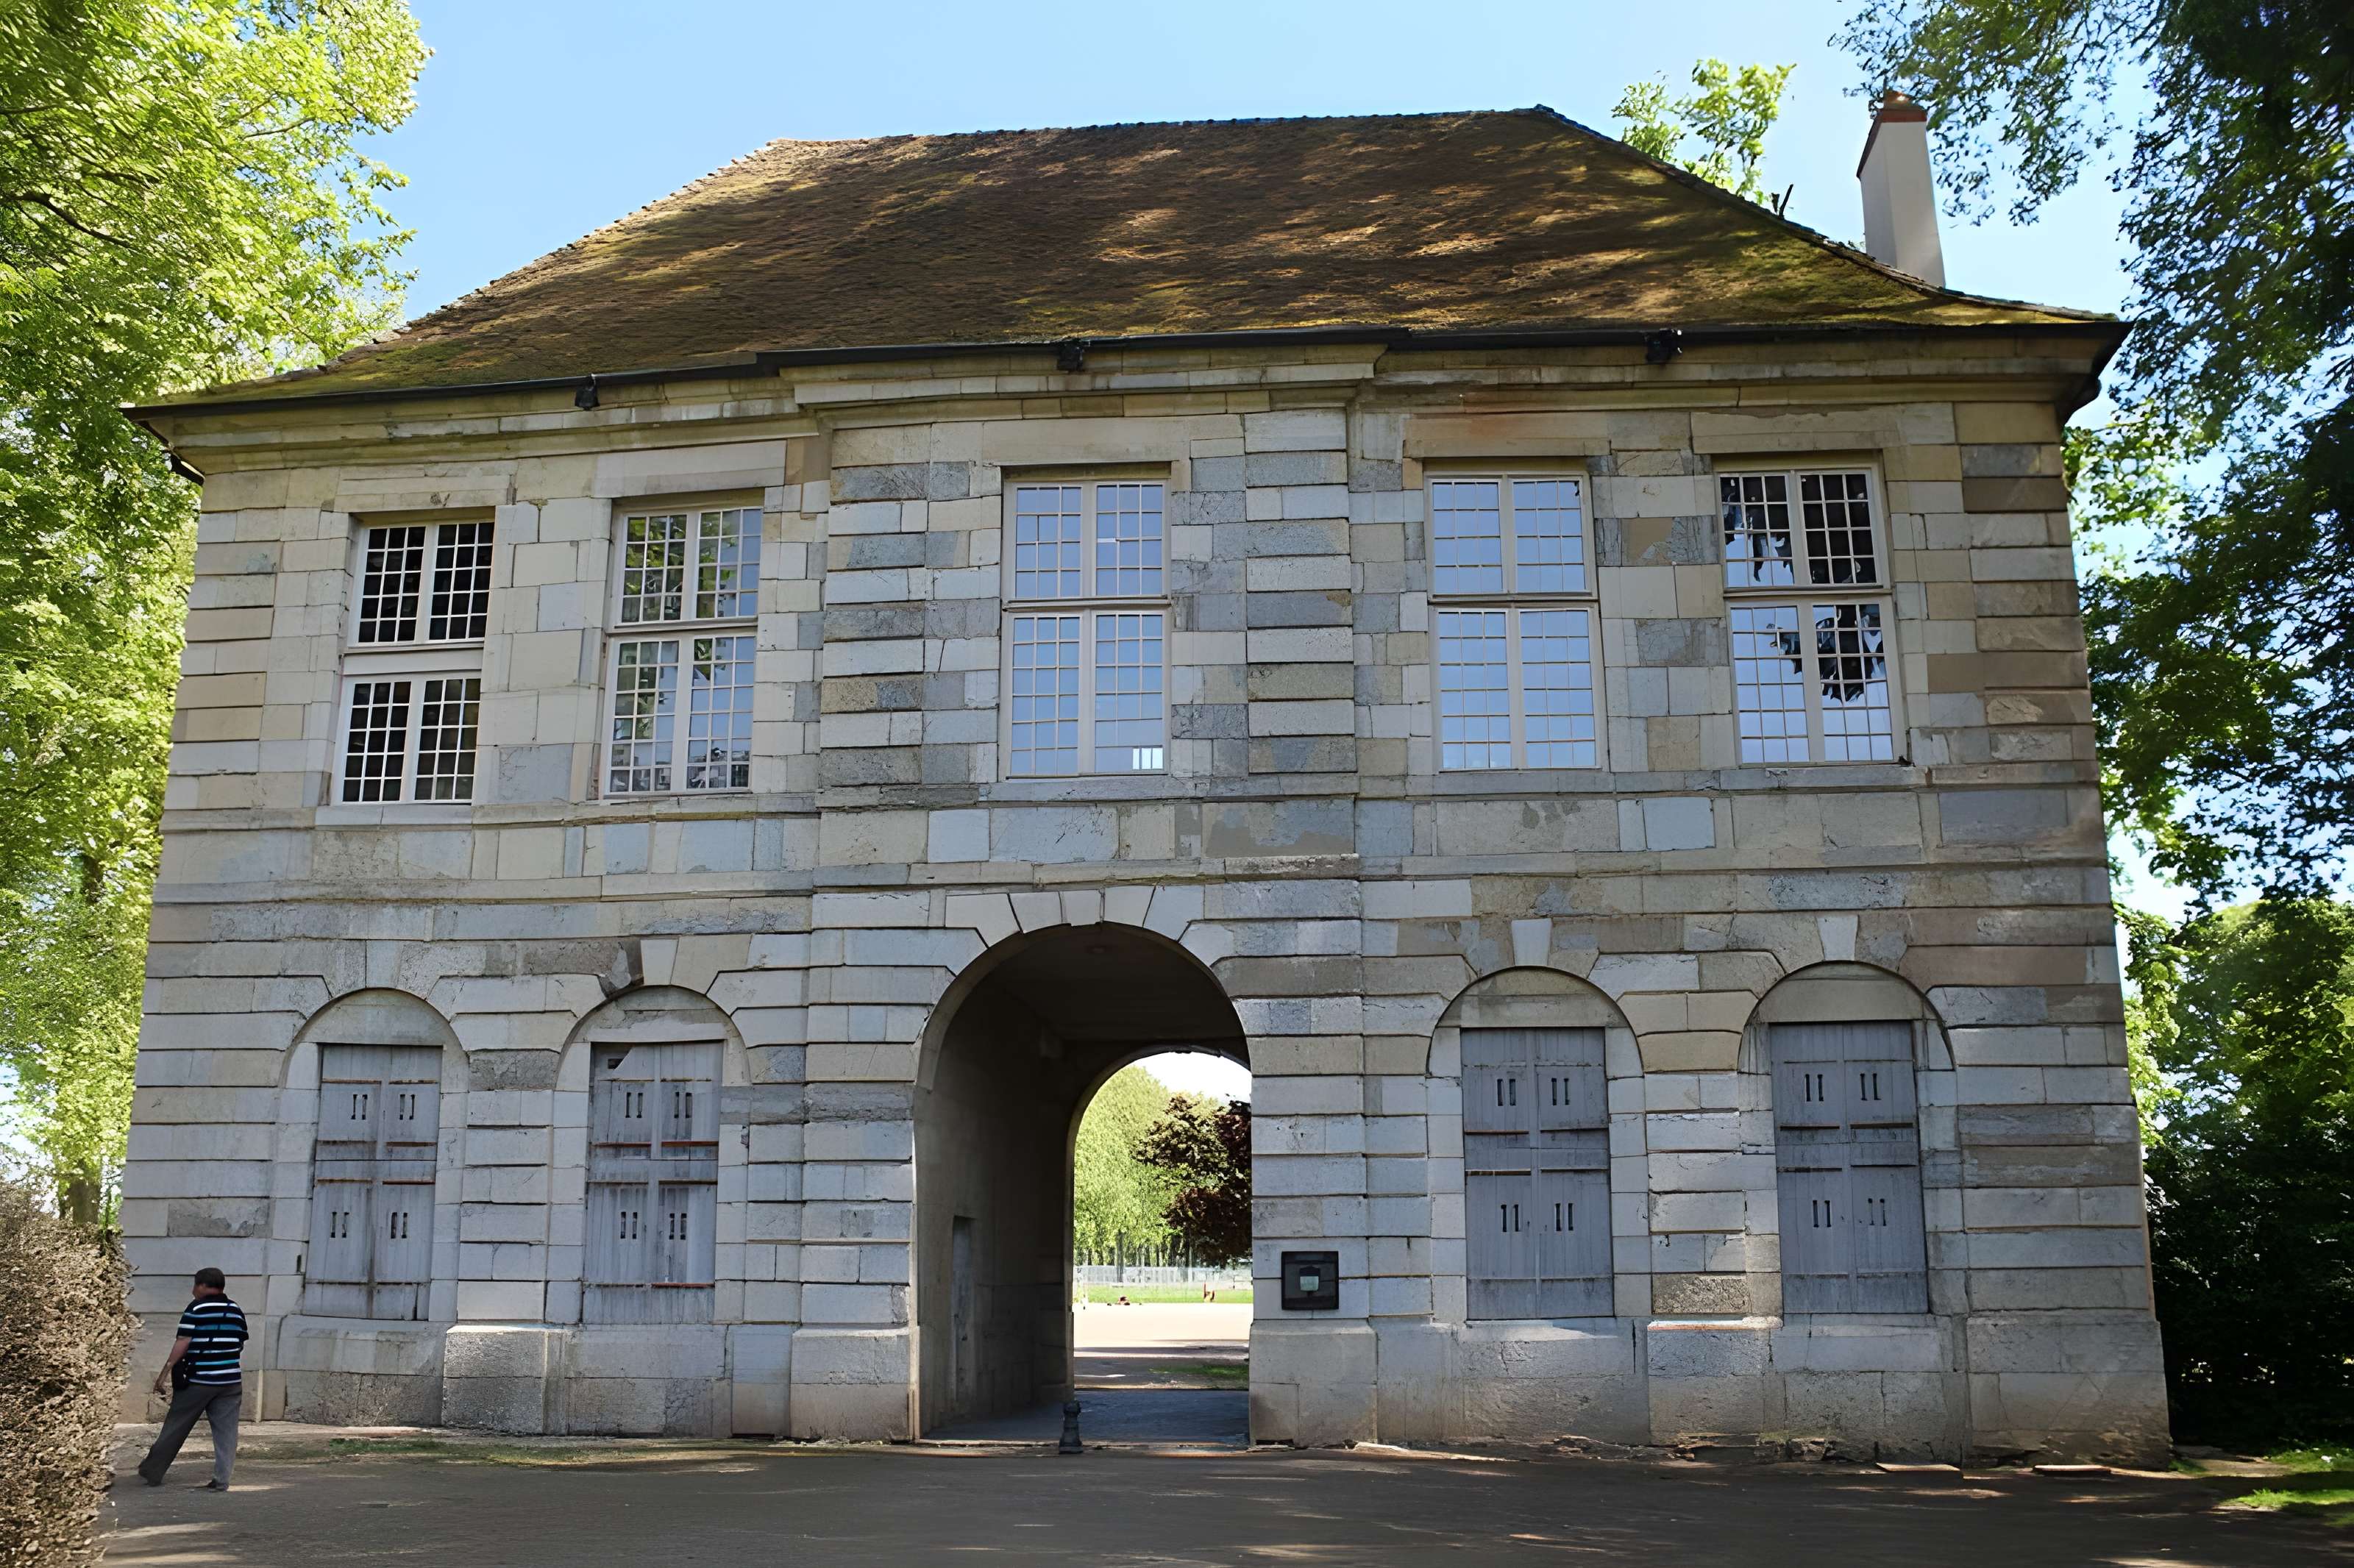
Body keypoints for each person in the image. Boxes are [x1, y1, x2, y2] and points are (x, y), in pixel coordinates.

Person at [137, 1266, 249, 1491]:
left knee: (176, 1426)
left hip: (199, 1381)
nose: (192, 1291)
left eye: (195, 1286)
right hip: (230, 1382)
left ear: (202, 1286)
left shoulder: (196, 1309)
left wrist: (165, 1373)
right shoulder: (235, 1309)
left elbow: (183, 1342)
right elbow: (240, 1342)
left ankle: (153, 1471)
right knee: (227, 1433)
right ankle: (222, 1480)